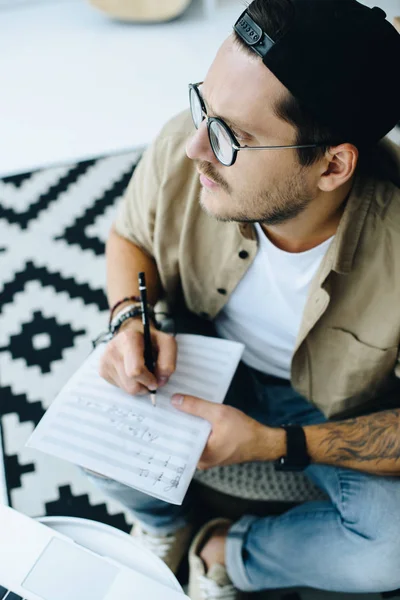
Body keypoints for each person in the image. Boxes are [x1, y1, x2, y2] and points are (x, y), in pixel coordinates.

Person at [87, 1, 400, 598]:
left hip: (339, 410)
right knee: (93, 423)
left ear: (332, 165)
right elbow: (129, 235)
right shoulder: (188, 139)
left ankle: (227, 551)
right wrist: (132, 318)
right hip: (204, 357)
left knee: (391, 552)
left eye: (233, 136)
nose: (195, 148)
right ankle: (166, 526)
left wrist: (277, 445)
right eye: (204, 105)